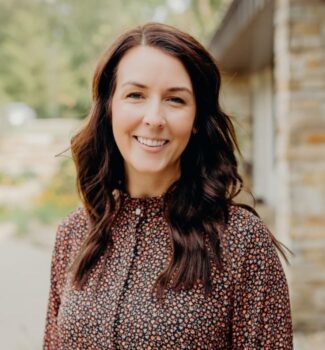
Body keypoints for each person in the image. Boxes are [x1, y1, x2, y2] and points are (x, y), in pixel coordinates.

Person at [43, 22, 293, 349]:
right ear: (109, 108)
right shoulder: (74, 233)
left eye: (175, 100)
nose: (154, 118)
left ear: (196, 121)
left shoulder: (241, 239)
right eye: (136, 95)